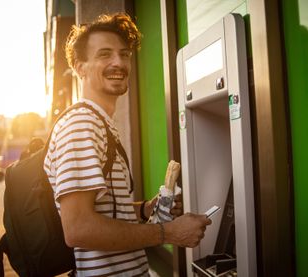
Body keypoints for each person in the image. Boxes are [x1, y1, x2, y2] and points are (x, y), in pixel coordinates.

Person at [43, 12, 211, 276]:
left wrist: (145, 209)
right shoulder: (80, 125)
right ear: (79, 67)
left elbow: (102, 211)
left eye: (124, 54)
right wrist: (168, 233)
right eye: (104, 54)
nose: (118, 62)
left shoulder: (99, 124)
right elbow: (78, 229)